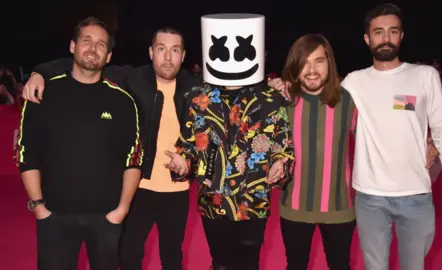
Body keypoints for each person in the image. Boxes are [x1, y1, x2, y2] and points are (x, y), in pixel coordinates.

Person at [22, 27, 199, 270]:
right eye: (161, 49)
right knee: (128, 258)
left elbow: (227, 96)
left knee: (172, 259)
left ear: (183, 55)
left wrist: (270, 85)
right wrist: (39, 73)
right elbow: (85, 60)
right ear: (150, 52)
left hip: (177, 189)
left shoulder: (196, 87)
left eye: (175, 50)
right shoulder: (132, 78)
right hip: (139, 189)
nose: (168, 57)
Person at [341, 4, 442, 269]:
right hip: (369, 198)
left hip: (416, 196)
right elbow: (320, 108)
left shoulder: (424, 76)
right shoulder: (353, 82)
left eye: (392, 31)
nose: (385, 38)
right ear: (367, 38)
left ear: (401, 36)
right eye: (378, 32)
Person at [165, 13, 295, 270]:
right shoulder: (198, 98)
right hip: (214, 201)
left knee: (249, 264)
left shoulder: (271, 100)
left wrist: (281, 162)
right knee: (221, 264)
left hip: (253, 201)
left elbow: (283, 145)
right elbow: (190, 143)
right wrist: (183, 162)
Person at [13, 17, 143, 270]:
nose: (93, 49)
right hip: (54, 216)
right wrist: (39, 207)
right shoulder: (43, 94)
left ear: (108, 56)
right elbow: (26, 153)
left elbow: (134, 158)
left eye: (101, 45)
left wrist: (121, 211)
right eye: (87, 41)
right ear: (73, 46)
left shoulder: (124, 101)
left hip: (107, 218)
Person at [276, 33, 356, 270]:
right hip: (294, 206)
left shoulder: (348, 100)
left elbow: (377, 136)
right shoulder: (284, 100)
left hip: (339, 207)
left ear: (329, 62)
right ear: (295, 66)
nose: (311, 70)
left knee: (340, 265)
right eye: (304, 62)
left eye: (318, 61)